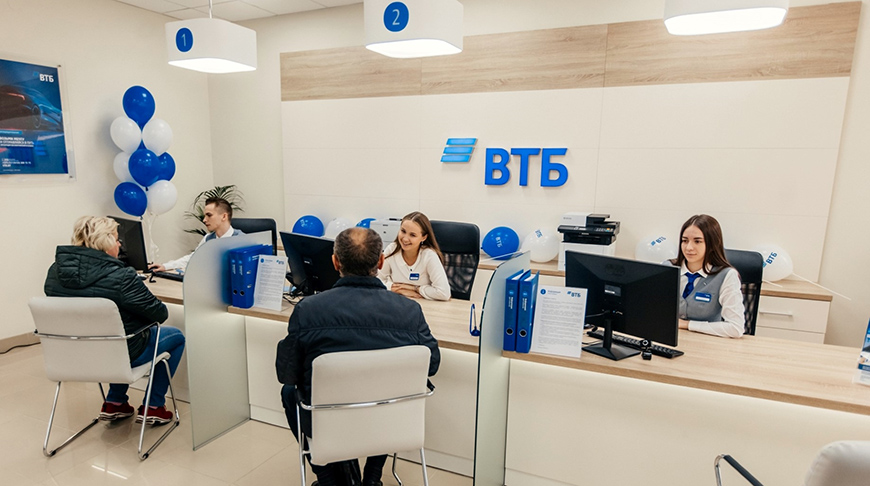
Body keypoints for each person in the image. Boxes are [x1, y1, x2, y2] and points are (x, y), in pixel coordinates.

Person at [276, 227, 441, 486]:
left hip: (329, 421)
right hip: (389, 420)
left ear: (335, 262)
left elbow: (287, 372)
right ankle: (372, 479)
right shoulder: (410, 311)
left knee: (289, 392)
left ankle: (328, 480)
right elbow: (432, 364)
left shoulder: (309, 310)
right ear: (381, 261)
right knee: (384, 393)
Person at [44, 216, 185, 424]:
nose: (120, 244)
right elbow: (160, 314)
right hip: (117, 354)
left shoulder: (54, 272)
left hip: (75, 356)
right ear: (106, 241)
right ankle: (153, 406)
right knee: (175, 336)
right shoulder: (122, 276)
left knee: (115, 337)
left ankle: (115, 402)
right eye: (117, 239)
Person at [668, 214, 745, 338]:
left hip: (709, 342)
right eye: (685, 240)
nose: (689, 247)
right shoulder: (667, 269)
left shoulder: (726, 276)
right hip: (670, 339)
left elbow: (735, 328)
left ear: (712, 244)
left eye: (697, 241)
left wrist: (687, 325)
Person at [148, 196, 242, 273]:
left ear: (224, 216)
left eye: (209, 215)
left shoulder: (242, 240)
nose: (204, 220)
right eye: (205, 216)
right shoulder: (208, 238)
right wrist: (165, 266)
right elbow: (193, 258)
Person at [378, 211, 451, 301]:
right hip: (397, 303)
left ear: (423, 237)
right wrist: (397, 289)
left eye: (412, 235)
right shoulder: (392, 249)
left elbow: (444, 293)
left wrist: (416, 289)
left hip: (425, 306)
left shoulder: (429, 255)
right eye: (403, 231)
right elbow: (376, 281)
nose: (405, 239)